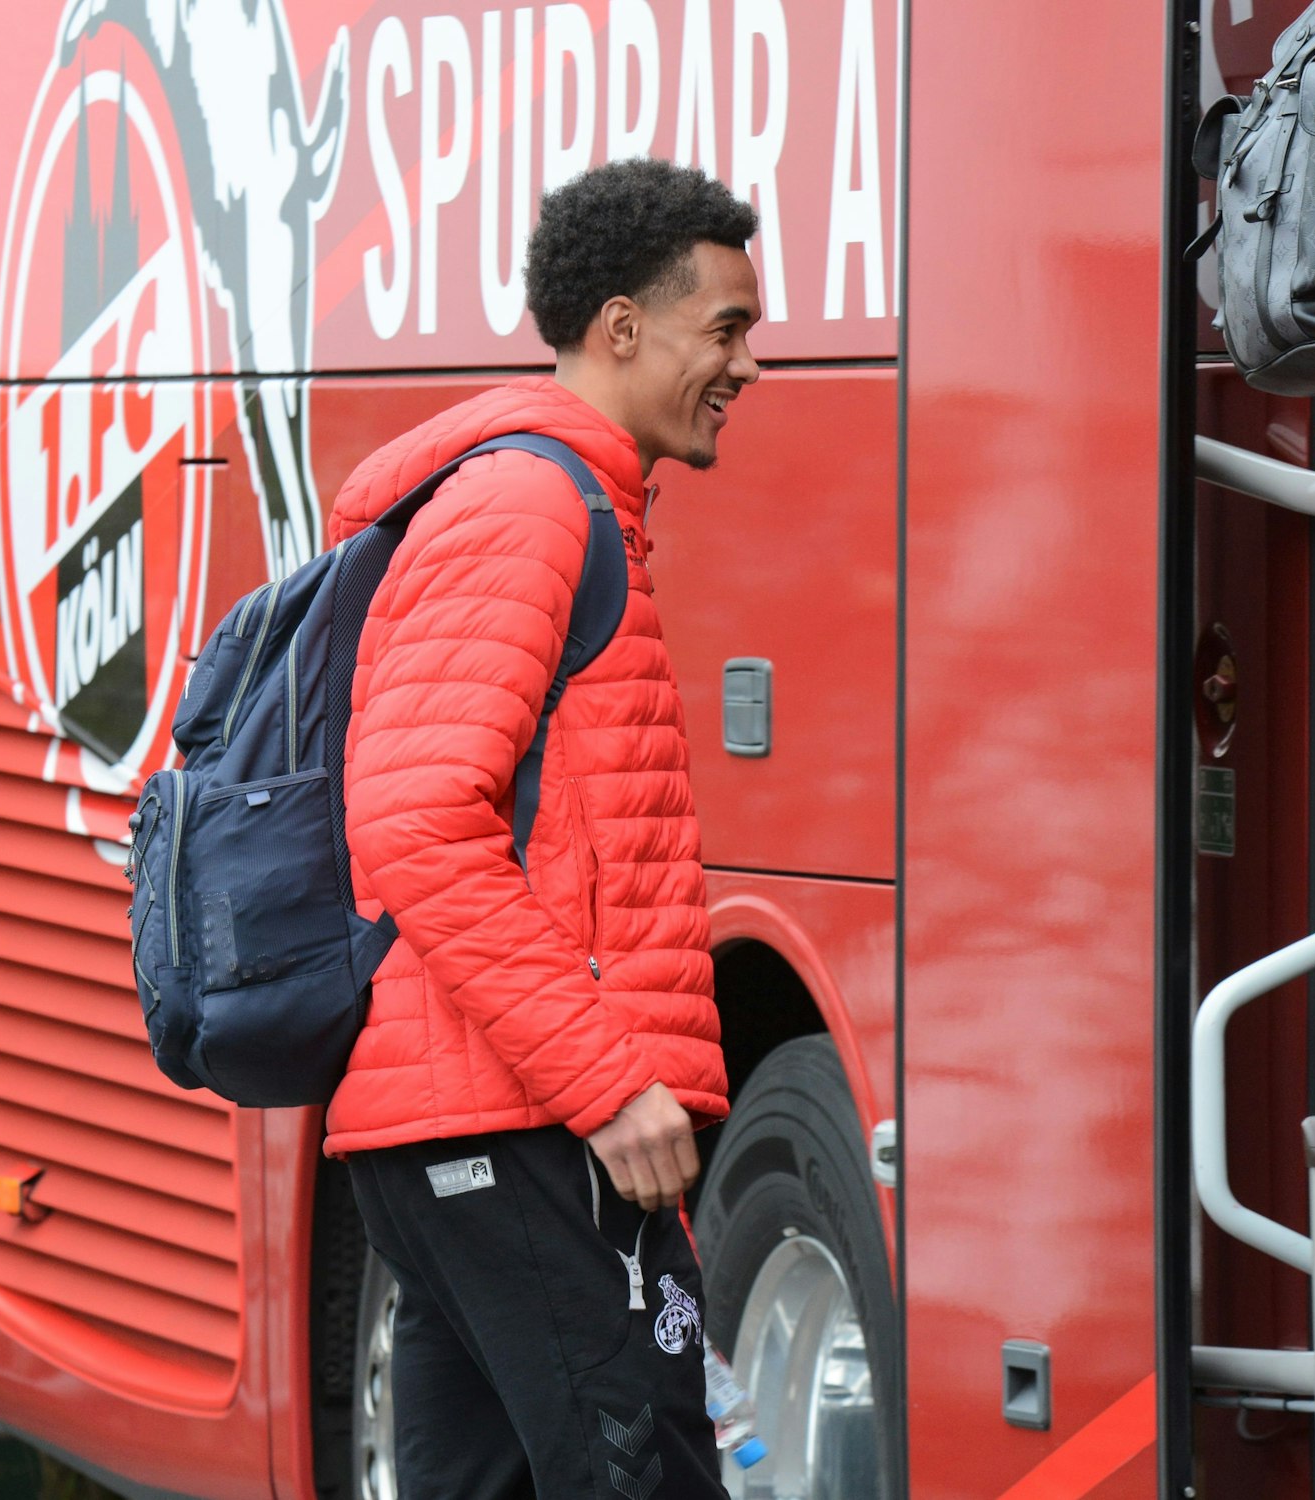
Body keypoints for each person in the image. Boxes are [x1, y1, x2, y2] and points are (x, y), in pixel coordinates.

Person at [322, 157, 760, 1499]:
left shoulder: (573, 502)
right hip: (518, 1132)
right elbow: (416, 821)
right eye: (727, 328)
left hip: (475, 1135)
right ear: (622, 328)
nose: (748, 364)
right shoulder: (527, 509)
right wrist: (605, 1084)